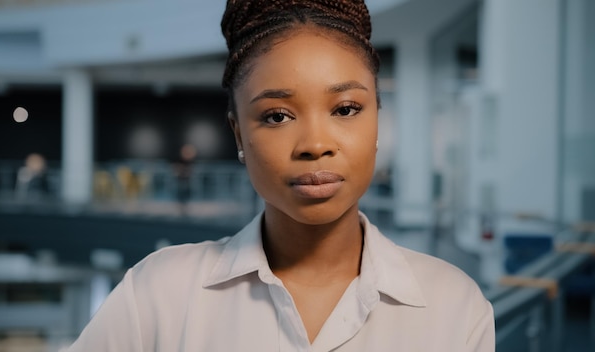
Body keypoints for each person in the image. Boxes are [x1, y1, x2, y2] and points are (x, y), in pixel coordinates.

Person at [66, 1, 495, 351]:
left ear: (376, 121)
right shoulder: (158, 295)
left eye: (345, 109)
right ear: (238, 132)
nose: (314, 143)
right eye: (277, 116)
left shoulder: (454, 307)